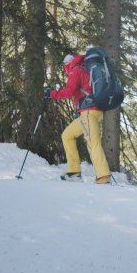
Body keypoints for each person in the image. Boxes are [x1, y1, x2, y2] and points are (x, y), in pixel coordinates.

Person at [46, 53, 111, 184]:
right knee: (67, 135)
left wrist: (51, 94)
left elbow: (69, 91)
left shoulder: (76, 70)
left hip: (89, 111)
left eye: (65, 66)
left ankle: (103, 176)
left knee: (92, 141)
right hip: (90, 111)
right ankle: (74, 171)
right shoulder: (85, 69)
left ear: (67, 64)